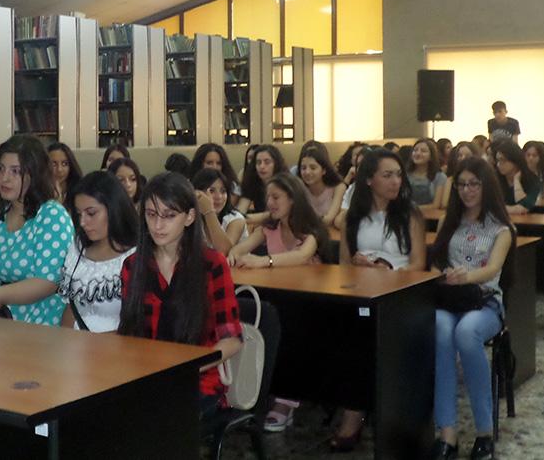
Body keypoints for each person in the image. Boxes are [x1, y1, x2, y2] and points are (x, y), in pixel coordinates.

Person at [117, 172, 243, 419]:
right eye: (151, 214)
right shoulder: (133, 265)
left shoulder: (212, 264)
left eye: (169, 216)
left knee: (157, 418)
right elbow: (129, 333)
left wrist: (187, 369)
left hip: (198, 379)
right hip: (145, 375)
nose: (158, 225)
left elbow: (232, 339)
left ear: (190, 217)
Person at [337, 148, 426, 451]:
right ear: (369, 180)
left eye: (398, 175)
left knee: (373, 339)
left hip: (401, 296)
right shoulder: (353, 217)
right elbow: (343, 265)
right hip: (363, 293)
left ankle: (367, 412)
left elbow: (418, 264)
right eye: (387, 175)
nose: (395, 181)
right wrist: (359, 266)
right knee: (347, 336)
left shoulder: (410, 213)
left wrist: (389, 271)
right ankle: (355, 408)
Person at [227, 172, 329, 431]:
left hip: (309, 302)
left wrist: (264, 261)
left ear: (293, 199)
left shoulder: (310, 229)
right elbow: (241, 248)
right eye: (268, 197)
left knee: (293, 334)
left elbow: (301, 255)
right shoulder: (269, 228)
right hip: (281, 299)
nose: (270, 203)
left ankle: (286, 402)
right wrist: (234, 256)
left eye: (276, 197)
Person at [429, 157, 515, 460]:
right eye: (462, 184)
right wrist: (444, 275)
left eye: (474, 184)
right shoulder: (448, 220)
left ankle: (484, 432)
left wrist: (465, 276)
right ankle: (447, 433)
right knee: (440, 330)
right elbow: (435, 260)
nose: (467, 190)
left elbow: (493, 269)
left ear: (486, 186)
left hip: (484, 301)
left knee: (466, 333)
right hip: (449, 299)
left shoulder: (501, 229)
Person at [0, 135, 74, 326]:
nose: (5, 178)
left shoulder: (52, 216)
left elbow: (47, 282)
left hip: (44, 323)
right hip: (3, 320)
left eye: (15, 171)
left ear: (34, 175)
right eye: (1, 169)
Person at [58, 171, 138, 332]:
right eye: (79, 214)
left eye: (91, 213)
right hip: (76, 343)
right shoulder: (77, 248)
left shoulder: (137, 256)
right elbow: (70, 308)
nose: (83, 222)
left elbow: (139, 324)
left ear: (114, 208)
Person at [191, 168, 247, 255]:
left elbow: (223, 252)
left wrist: (209, 211)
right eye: (211, 191)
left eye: (223, 191)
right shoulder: (192, 216)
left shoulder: (236, 219)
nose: (219, 197)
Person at [296, 146, 345, 227]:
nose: (307, 172)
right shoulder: (299, 187)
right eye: (303, 168)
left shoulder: (338, 187)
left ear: (324, 170)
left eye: (313, 168)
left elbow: (328, 220)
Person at [237, 144, 287, 214]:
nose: (262, 166)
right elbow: (240, 212)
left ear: (276, 164)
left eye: (267, 162)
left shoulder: (285, 184)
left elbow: (278, 214)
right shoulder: (253, 182)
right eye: (258, 162)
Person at [494, 140, 540, 215]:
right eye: (497, 160)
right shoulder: (494, 178)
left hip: (526, 221)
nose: (498, 164)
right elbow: (490, 207)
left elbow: (524, 208)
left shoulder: (532, 180)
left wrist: (516, 181)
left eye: (503, 160)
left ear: (515, 160)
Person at [333, 145, 372, 230]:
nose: (361, 169)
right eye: (358, 165)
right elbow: (339, 221)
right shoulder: (353, 188)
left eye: (365, 164)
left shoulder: (382, 190)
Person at [407, 139, 447, 209]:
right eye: (415, 150)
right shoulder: (405, 175)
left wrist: (412, 209)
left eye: (423, 151)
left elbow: (436, 205)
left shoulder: (439, 177)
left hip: (430, 215)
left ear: (431, 156)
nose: (418, 153)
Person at [439, 142, 479, 209]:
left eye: (467, 155)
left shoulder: (482, 178)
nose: (463, 158)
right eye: (460, 155)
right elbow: (444, 204)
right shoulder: (451, 180)